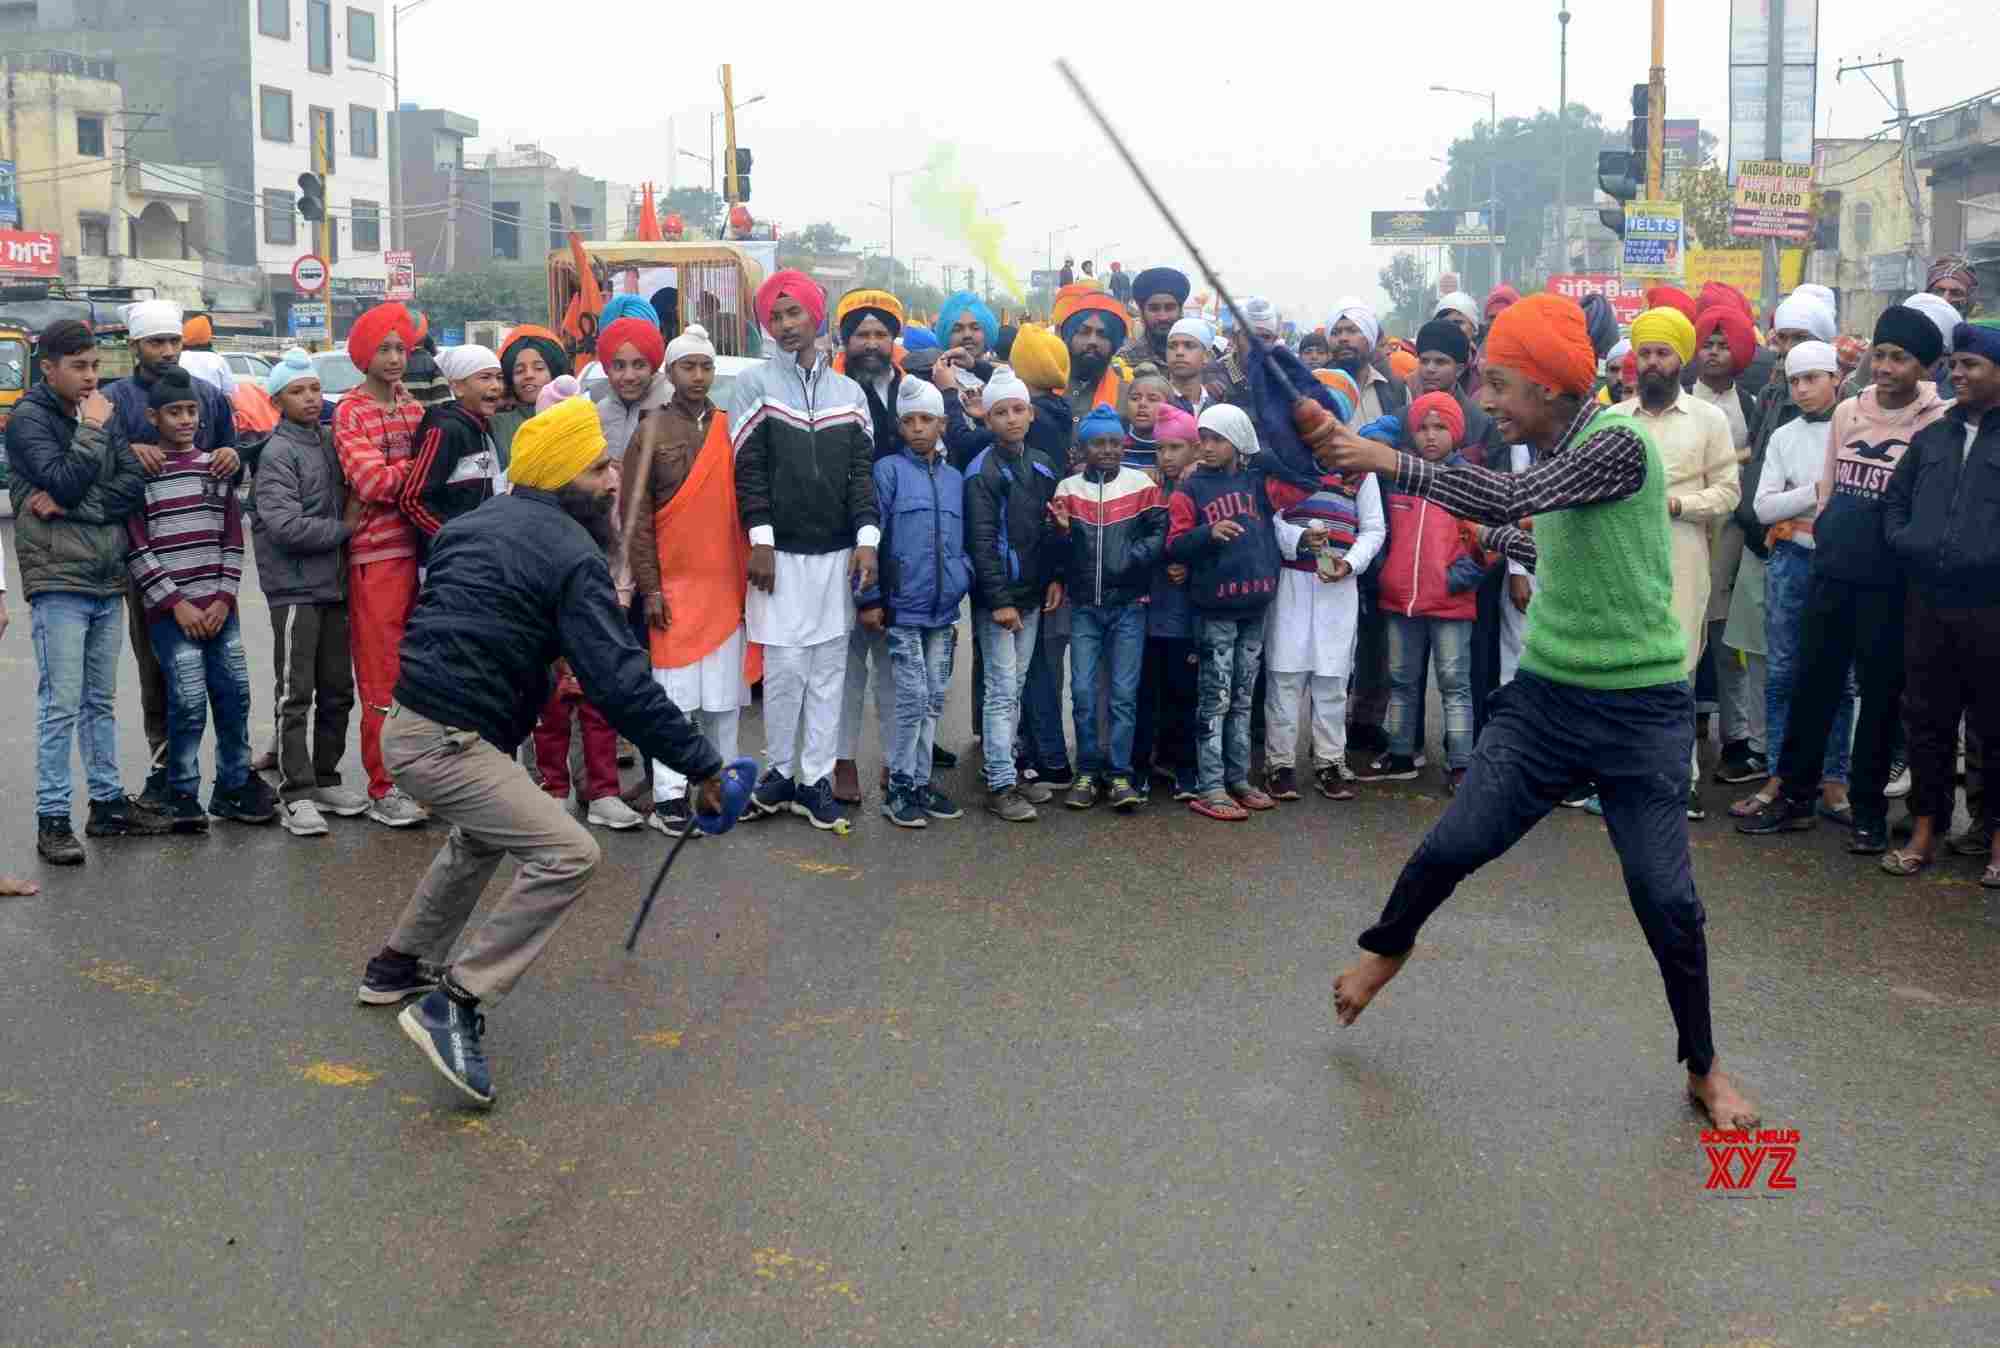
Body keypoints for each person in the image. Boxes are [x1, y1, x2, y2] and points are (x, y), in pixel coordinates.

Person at [1313, 291, 1760, 1132]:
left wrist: (1380, 457)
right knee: (1456, 840)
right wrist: (1510, 543)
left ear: (1553, 387)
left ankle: (1703, 1066)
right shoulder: (1562, 451)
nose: (1486, 403)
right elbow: (1551, 533)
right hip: (1549, 698)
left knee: (1666, 899)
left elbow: (1511, 500)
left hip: (1641, 711)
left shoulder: (1618, 443)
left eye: (1503, 386)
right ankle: (1387, 947)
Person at [357, 395, 724, 1107]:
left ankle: (395, 966)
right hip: (446, 740)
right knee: (569, 853)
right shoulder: (571, 554)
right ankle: (456, 1002)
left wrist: (546, 659)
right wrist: (701, 762)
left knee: (480, 838)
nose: (613, 479)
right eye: (597, 469)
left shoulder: (476, 523)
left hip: (414, 725)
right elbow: (621, 682)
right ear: (560, 479)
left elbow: (485, 614)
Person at [1738, 310, 1950, 853]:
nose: (1883, 367)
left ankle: (1868, 812)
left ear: (1925, 366)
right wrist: (1832, 534)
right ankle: (1795, 797)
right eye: (1879, 354)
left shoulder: (1937, 421)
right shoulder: (1849, 411)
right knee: (1812, 687)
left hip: (1891, 582)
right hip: (1832, 570)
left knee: (1879, 699)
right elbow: (1829, 488)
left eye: (1898, 358)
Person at [6, 320, 169, 864]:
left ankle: (106, 806)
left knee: (100, 701)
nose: (90, 377)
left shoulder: (99, 411)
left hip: (106, 574)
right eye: (78, 366)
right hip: (58, 580)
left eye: (95, 366)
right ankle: (52, 819)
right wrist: (92, 435)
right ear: (47, 367)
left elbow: (128, 486)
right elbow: (66, 476)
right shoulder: (27, 420)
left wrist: (76, 503)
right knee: (61, 704)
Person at [732, 270, 879, 831]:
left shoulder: (850, 394)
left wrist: (866, 541)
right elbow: (749, 471)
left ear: (817, 315)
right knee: (785, 666)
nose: (786, 325)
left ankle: (815, 779)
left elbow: (861, 476)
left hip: (836, 554)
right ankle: (779, 774)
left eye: (795, 313)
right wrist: (761, 539)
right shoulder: (754, 384)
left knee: (828, 669)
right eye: (775, 317)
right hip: (779, 556)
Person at [126, 367, 275, 830]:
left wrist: (223, 599)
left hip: (218, 607)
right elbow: (137, 548)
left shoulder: (216, 469)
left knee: (234, 696)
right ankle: (181, 792)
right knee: (187, 701)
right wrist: (179, 605)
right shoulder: (142, 476)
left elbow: (233, 539)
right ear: (154, 417)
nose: (185, 419)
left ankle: (232, 786)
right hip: (172, 613)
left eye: (191, 410)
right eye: (174, 412)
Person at [107, 298, 239, 806]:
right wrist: (125, 451)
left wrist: (233, 456)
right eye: (155, 342)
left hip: (207, 559)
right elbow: (95, 462)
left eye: (173, 341)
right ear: (135, 345)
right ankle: (166, 768)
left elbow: (232, 460)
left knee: (224, 679)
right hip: (146, 561)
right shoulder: (115, 400)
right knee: (157, 667)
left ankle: (227, 777)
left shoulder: (207, 394)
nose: (166, 351)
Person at [1880, 318, 2000, 881]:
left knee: (1995, 726)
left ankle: (1997, 842)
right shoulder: (1934, 436)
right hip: (1927, 602)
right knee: (1926, 720)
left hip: (1991, 608)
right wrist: (1909, 544)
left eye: (1971, 365)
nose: (1958, 374)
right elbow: (1894, 504)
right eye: (1954, 365)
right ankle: (1926, 830)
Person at [623, 324, 753, 839]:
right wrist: (650, 587)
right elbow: (635, 517)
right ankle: (669, 796)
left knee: (723, 701)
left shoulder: (730, 426)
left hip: (725, 586)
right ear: (669, 373)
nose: (697, 376)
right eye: (687, 366)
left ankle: (722, 789)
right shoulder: (651, 428)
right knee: (674, 700)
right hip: (672, 587)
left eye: (705, 366)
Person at [1614, 306, 1740, 819]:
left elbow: (1729, 492)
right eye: (1644, 352)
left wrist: (1678, 505)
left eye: (1662, 353)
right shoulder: (1613, 420)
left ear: (1680, 360)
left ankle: (1678, 779)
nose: (1652, 362)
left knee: (1678, 672)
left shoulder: (1710, 421)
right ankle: (1622, 777)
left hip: (1684, 556)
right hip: (1622, 559)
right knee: (1622, 670)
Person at [1733, 341, 1856, 828]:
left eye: (1813, 378)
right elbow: (1762, 508)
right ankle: (1780, 776)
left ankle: (1834, 780)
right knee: (1782, 673)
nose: (1803, 389)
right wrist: (1817, 493)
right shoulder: (1784, 435)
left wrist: (1800, 500)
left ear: (1836, 378)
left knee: (1839, 679)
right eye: (1795, 381)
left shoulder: (1854, 430)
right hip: (1789, 562)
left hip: (1840, 564)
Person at [252, 349, 368, 837]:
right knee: (294, 693)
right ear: (277, 400)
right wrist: (344, 530)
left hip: (335, 586)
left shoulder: (328, 440)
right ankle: (295, 793)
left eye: (315, 389)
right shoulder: (277, 452)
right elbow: (283, 526)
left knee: (339, 690)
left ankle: (325, 777)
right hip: (295, 589)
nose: (309, 398)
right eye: (297, 392)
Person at [857, 377, 971, 828]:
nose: (919, 428)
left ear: (942, 423)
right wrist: (870, 597)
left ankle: (921, 782)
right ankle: (899, 786)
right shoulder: (887, 472)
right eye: (910, 421)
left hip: (943, 610)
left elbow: (961, 539)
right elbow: (871, 538)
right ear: (900, 426)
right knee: (912, 696)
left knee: (935, 698)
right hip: (903, 607)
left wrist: (963, 574)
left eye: (927, 419)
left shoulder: (954, 478)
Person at [334, 302, 432, 828]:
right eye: (385, 349)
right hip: (376, 558)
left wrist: (401, 473)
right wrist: (418, 469)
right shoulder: (349, 411)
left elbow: (390, 479)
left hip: (420, 555)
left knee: (420, 677)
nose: (395, 358)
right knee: (381, 679)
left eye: (401, 349)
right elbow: (370, 483)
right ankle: (383, 786)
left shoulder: (412, 406)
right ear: (364, 354)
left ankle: (418, 780)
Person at [1261, 390, 1384, 804]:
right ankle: (1279, 763)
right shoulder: (1284, 468)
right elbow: (1272, 520)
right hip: (1292, 581)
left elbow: (1374, 528)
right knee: (1284, 675)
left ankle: (1330, 761)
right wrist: (1297, 539)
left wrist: (1351, 563)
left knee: (1332, 678)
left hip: (1338, 585)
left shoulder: (1360, 472)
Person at [1050, 402, 1167, 810]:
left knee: (1122, 693)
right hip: (1084, 606)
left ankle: (1119, 774)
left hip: (1129, 605)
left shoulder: (1142, 486)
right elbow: (1058, 550)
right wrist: (1063, 533)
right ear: (1084, 448)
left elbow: (1159, 534)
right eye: (1099, 443)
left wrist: (1131, 559)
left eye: (1115, 442)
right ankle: (1086, 770)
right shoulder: (1068, 489)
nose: (1108, 450)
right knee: (1082, 691)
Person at [1168, 404, 1281, 821]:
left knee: (1242, 696)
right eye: (1205, 439)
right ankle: (1211, 785)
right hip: (1215, 607)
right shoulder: (1190, 490)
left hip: (1256, 602)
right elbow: (1175, 544)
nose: (1208, 447)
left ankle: (1239, 778)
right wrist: (1207, 533)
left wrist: (1252, 447)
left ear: (1238, 441)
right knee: (1214, 698)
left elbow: (1289, 467)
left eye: (1219, 439)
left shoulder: (1256, 482)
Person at [1365, 392, 1482, 791]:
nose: (1430, 436)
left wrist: (1456, 579)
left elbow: (1487, 544)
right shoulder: (1399, 478)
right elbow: (1380, 533)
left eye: (1440, 428)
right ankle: (1400, 754)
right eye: (1422, 428)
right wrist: (1387, 574)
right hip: (1401, 600)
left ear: (1457, 431)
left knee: (1454, 684)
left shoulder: (1469, 479)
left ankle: (1462, 763)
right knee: (1401, 679)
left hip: (1450, 602)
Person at [964, 369, 1066, 821]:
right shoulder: (981, 472)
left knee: (1018, 685)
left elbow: (1048, 529)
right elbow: (981, 543)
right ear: (988, 419)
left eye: (1018, 410)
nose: (1010, 419)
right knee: (1002, 691)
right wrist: (999, 599)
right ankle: (1000, 783)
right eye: (1000, 412)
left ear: (1031, 413)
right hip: (999, 602)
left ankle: (1013, 770)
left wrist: (1054, 577)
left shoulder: (1042, 464)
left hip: (1032, 595)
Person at [831, 288, 910, 804]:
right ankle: (842, 762)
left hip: (902, 546)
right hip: (843, 539)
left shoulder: (915, 392)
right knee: (847, 663)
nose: (872, 343)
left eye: (881, 333)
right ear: (847, 339)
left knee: (896, 663)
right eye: (862, 334)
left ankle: (897, 760)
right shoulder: (833, 391)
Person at [1689, 300, 1764, 785]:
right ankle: (1676, 735)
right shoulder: (1679, 399)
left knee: (1729, 639)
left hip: (1733, 537)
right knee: (1683, 633)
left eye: (1723, 344)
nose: (1714, 353)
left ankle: (1738, 739)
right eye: (1707, 344)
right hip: (1686, 528)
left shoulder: (1753, 405)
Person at [1134, 405, 1203, 801]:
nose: (1167, 457)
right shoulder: (1149, 490)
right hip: (1148, 611)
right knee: (1145, 694)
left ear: (1194, 448)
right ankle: (1141, 767)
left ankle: (1184, 769)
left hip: (1186, 616)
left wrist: (1189, 569)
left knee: (1183, 695)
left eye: (1176, 447)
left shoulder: (1200, 488)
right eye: (1161, 449)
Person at [401, 345, 503, 550]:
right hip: (447, 559)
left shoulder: (483, 427)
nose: (496, 386)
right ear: (457, 388)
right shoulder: (445, 430)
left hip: (480, 552)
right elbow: (413, 500)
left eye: (499, 377)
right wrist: (453, 540)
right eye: (485, 378)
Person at [1405, 319, 1496, 464]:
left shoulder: (1482, 423)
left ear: (1459, 369)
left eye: (1440, 362)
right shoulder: (1402, 417)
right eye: (1424, 361)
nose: (1430, 369)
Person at [490, 327, 570, 470]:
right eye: (519, 371)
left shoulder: (575, 416)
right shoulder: (496, 424)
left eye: (539, 368)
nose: (528, 375)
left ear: (555, 372)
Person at [1327, 300, 1407, 423]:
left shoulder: (1396, 388)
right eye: (1335, 333)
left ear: (1370, 338)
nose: (1343, 338)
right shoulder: (1318, 387)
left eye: (1352, 331)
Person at [1058, 289, 1130, 416]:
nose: (1093, 341)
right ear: (1068, 336)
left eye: (1103, 335)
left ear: (1114, 344)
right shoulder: (1040, 387)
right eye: (1084, 332)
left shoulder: (1127, 396)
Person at [1120, 267, 1192, 369]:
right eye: (1154, 309)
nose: (1163, 317)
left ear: (1180, 311)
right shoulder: (1124, 360)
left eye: (1169, 308)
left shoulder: (1199, 357)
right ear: (1142, 312)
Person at [935, 291, 998, 381]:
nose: (967, 335)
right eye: (957, 329)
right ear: (945, 335)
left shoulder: (1004, 376)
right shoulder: (935, 379)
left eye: (975, 328)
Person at [1121, 368, 1172, 473]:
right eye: (1135, 398)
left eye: (1152, 399)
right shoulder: (1115, 440)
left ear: (1169, 406)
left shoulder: (1176, 443)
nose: (1142, 404)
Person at [1163, 316, 1216, 414]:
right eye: (1172, 346)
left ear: (1206, 356)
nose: (1179, 352)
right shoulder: (1156, 402)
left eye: (1189, 346)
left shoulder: (1215, 407)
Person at [176, 314, 236, 396]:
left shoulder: (177, 358)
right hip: (212, 406)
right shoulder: (217, 360)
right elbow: (229, 391)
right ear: (208, 336)